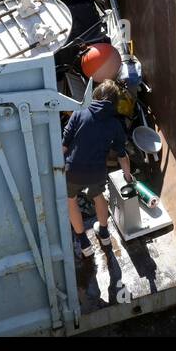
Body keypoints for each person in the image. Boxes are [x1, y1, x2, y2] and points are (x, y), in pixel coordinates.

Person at [63, 79, 134, 256]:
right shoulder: (115, 124)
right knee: (98, 196)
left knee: (70, 200)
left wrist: (56, 168)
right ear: (115, 102)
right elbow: (121, 154)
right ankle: (104, 234)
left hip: (73, 170)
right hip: (96, 172)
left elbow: (64, 146)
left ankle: (84, 243)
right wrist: (127, 175)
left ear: (96, 95)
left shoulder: (79, 113)